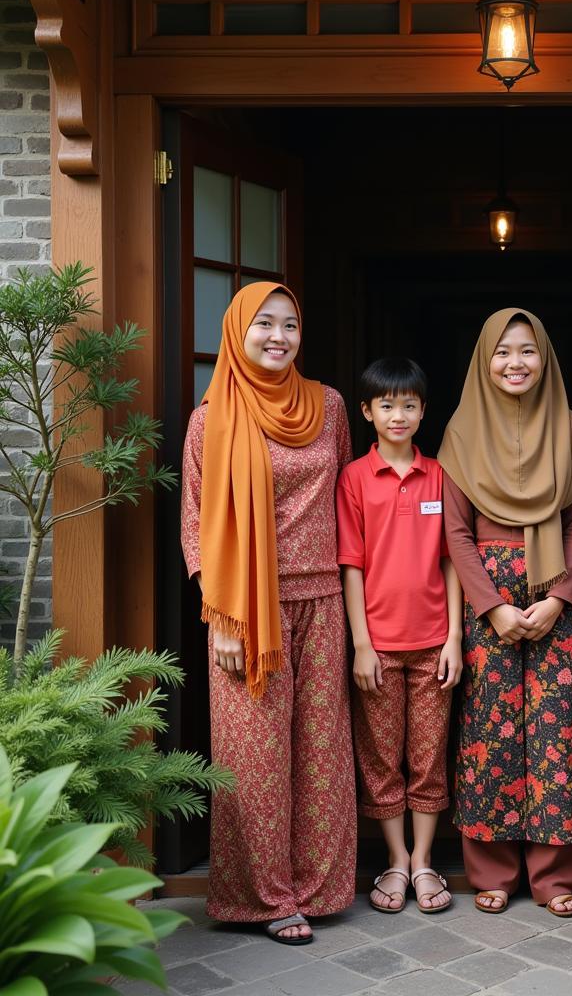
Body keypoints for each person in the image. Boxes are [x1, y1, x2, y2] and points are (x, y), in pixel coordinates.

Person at [180, 282, 356, 945]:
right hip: (245, 607)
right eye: (264, 325)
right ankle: (264, 897)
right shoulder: (211, 417)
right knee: (254, 754)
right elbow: (194, 524)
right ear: (237, 332)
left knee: (320, 749)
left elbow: (344, 493)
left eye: (290, 325)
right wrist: (221, 615)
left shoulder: (329, 405)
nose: (278, 337)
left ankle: (318, 888)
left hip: (323, 598)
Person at [439, 308, 572, 918]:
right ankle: (493, 870)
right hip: (489, 602)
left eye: (527, 351)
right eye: (502, 352)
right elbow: (455, 533)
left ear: (545, 358)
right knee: (487, 735)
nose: (515, 363)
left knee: (558, 732)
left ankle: (556, 876)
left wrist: (559, 598)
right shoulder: (461, 432)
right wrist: (493, 607)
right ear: (484, 360)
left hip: (557, 590)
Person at [337, 357, 463, 915]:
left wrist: (456, 637)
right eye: (386, 405)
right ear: (366, 411)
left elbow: (453, 561)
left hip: (434, 642)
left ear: (423, 411)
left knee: (430, 756)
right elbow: (352, 565)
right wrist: (361, 643)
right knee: (383, 758)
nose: (398, 414)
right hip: (380, 646)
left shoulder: (440, 475)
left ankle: (424, 860)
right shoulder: (354, 478)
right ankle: (393, 859)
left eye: (409, 404)